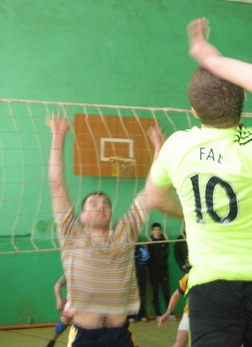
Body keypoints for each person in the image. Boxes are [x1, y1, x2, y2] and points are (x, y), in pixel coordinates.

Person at [146, 17, 252, 347]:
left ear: (193, 110)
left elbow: (155, 197)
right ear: (244, 99)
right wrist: (212, 59)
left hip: (209, 286)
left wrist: (191, 211)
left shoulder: (176, 147)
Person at [46, 114, 161, 347]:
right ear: (82, 216)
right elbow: (56, 184)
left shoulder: (125, 231)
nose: (101, 207)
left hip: (120, 334)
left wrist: (159, 148)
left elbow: (151, 192)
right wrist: (58, 137)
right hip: (86, 336)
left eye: (105, 204)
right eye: (93, 204)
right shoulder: (72, 233)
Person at [148, 222, 174, 321]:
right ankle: (158, 314)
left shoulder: (164, 240)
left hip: (163, 269)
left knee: (166, 291)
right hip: (153, 270)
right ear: (152, 231)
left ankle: (169, 313)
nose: (157, 231)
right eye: (155, 230)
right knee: (155, 292)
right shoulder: (150, 242)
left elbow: (166, 254)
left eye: (158, 229)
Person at [157, 273, 190, 347]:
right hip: (190, 314)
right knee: (180, 343)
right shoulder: (189, 277)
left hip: (212, 315)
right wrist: (168, 312)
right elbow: (176, 295)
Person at [46, 274, 73, 347]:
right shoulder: (71, 272)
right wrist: (59, 300)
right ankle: (52, 341)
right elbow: (58, 285)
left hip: (89, 304)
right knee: (63, 324)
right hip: (72, 302)